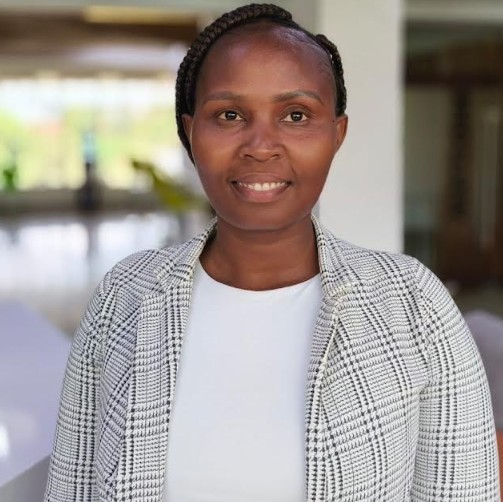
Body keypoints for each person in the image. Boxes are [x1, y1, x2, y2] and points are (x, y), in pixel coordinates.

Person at [44, 4, 500, 502]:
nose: (261, 146)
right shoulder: (124, 296)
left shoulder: (413, 304)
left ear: (336, 134)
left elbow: (463, 491)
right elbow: (70, 487)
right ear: (191, 133)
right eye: (229, 115)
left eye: (296, 115)